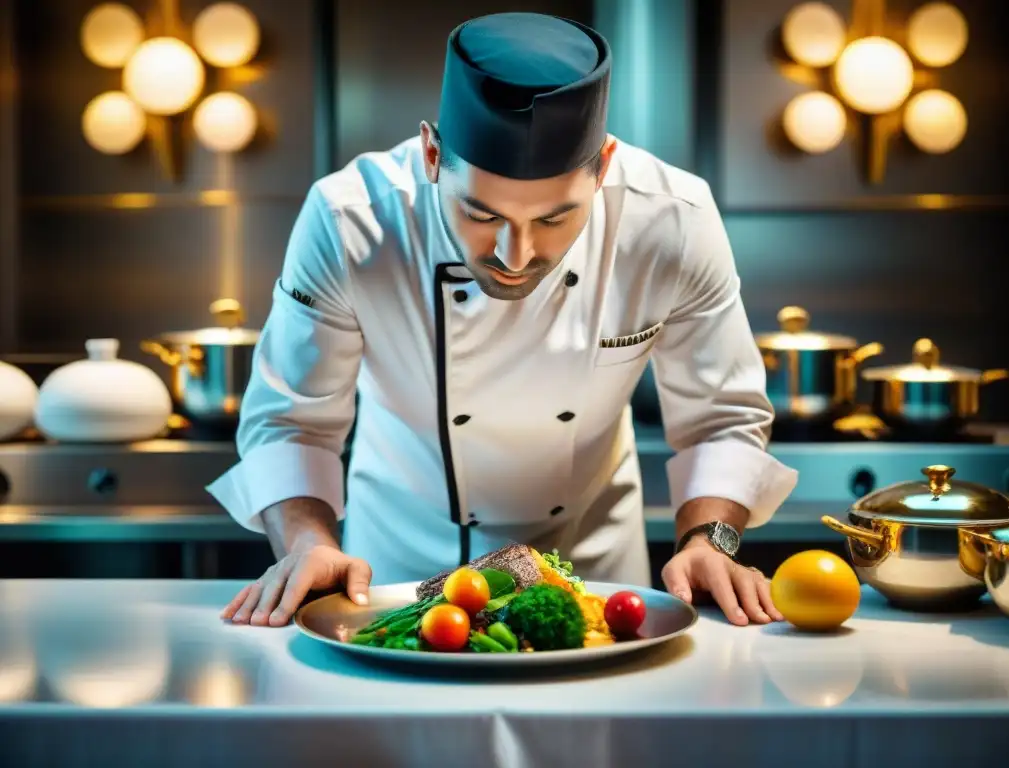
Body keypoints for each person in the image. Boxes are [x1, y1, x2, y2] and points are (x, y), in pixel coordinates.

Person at [209, 12, 798, 630]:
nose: (515, 257)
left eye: (552, 219)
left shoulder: (673, 220)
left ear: (604, 166)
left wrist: (711, 540)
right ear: (433, 154)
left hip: (594, 571)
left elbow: (720, 418)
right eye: (481, 214)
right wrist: (308, 544)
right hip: (391, 577)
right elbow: (290, 422)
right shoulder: (350, 221)